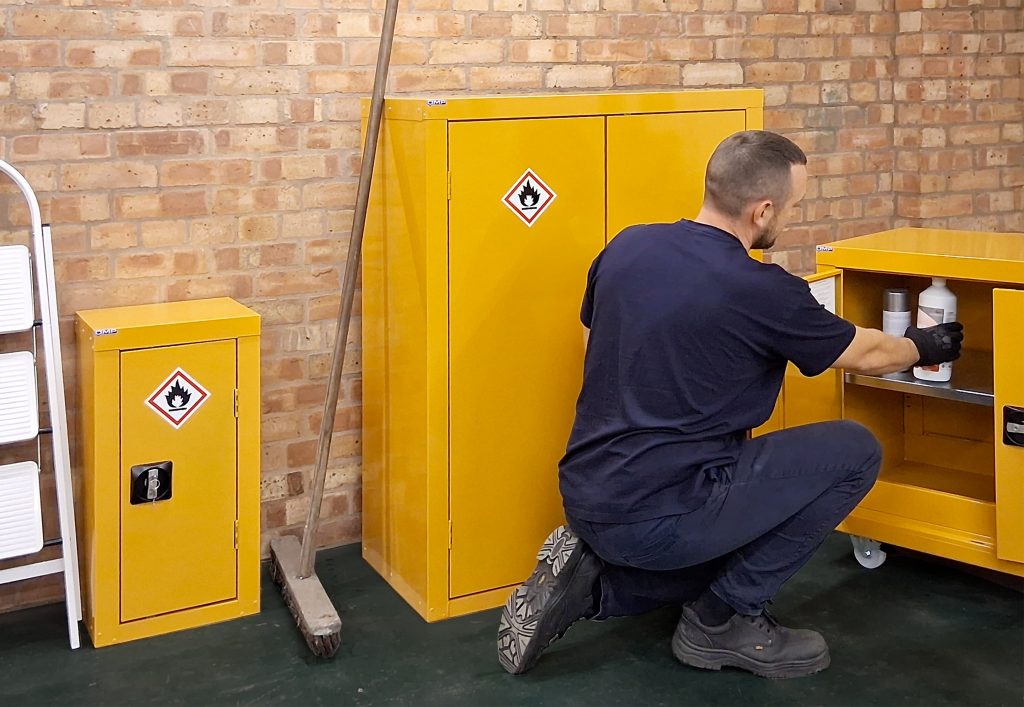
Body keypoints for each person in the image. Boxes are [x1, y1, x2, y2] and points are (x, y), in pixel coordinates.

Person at [496, 130, 963, 679]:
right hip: (664, 512)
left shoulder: (627, 247)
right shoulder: (762, 290)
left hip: (589, 491)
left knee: (728, 523)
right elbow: (869, 354)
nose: (790, 216)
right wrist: (925, 345)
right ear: (762, 210)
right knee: (853, 451)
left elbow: (593, 341)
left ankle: (595, 587)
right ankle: (721, 623)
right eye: (792, 207)